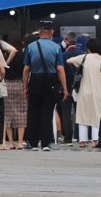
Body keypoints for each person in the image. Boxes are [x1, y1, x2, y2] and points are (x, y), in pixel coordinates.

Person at [22, 21, 69, 151]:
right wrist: (65, 88)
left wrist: (25, 86)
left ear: (39, 31)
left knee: (33, 112)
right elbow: (60, 69)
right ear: (51, 32)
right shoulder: (56, 47)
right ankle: (45, 143)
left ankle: (31, 142)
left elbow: (26, 69)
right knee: (47, 112)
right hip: (51, 81)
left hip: (35, 81)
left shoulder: (31, 47)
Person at [67, 38, 101, 148]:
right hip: (98, 91)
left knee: (82, 116)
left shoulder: (84, 57)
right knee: (96, 116)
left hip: (83, 92)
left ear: (88, 48)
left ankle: (82, 141)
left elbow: (68, 60)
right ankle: (95, 140)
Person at [3, 34, 28, 150]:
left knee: (7, 113)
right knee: (21, 112)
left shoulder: (5, 54)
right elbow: (26, 71)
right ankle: (20, 142)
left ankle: (11, 143)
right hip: (19, 84)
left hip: (7, 84)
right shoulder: (23, 55)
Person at [58, 31, 80, 146]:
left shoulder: (63, 55)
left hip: (66, 88)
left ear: (66, 40)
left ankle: (67, 139)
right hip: (80, 89)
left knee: (66, 114)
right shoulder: (83, 54)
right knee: (81, 113)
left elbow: (59, 72)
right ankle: (81, 137)